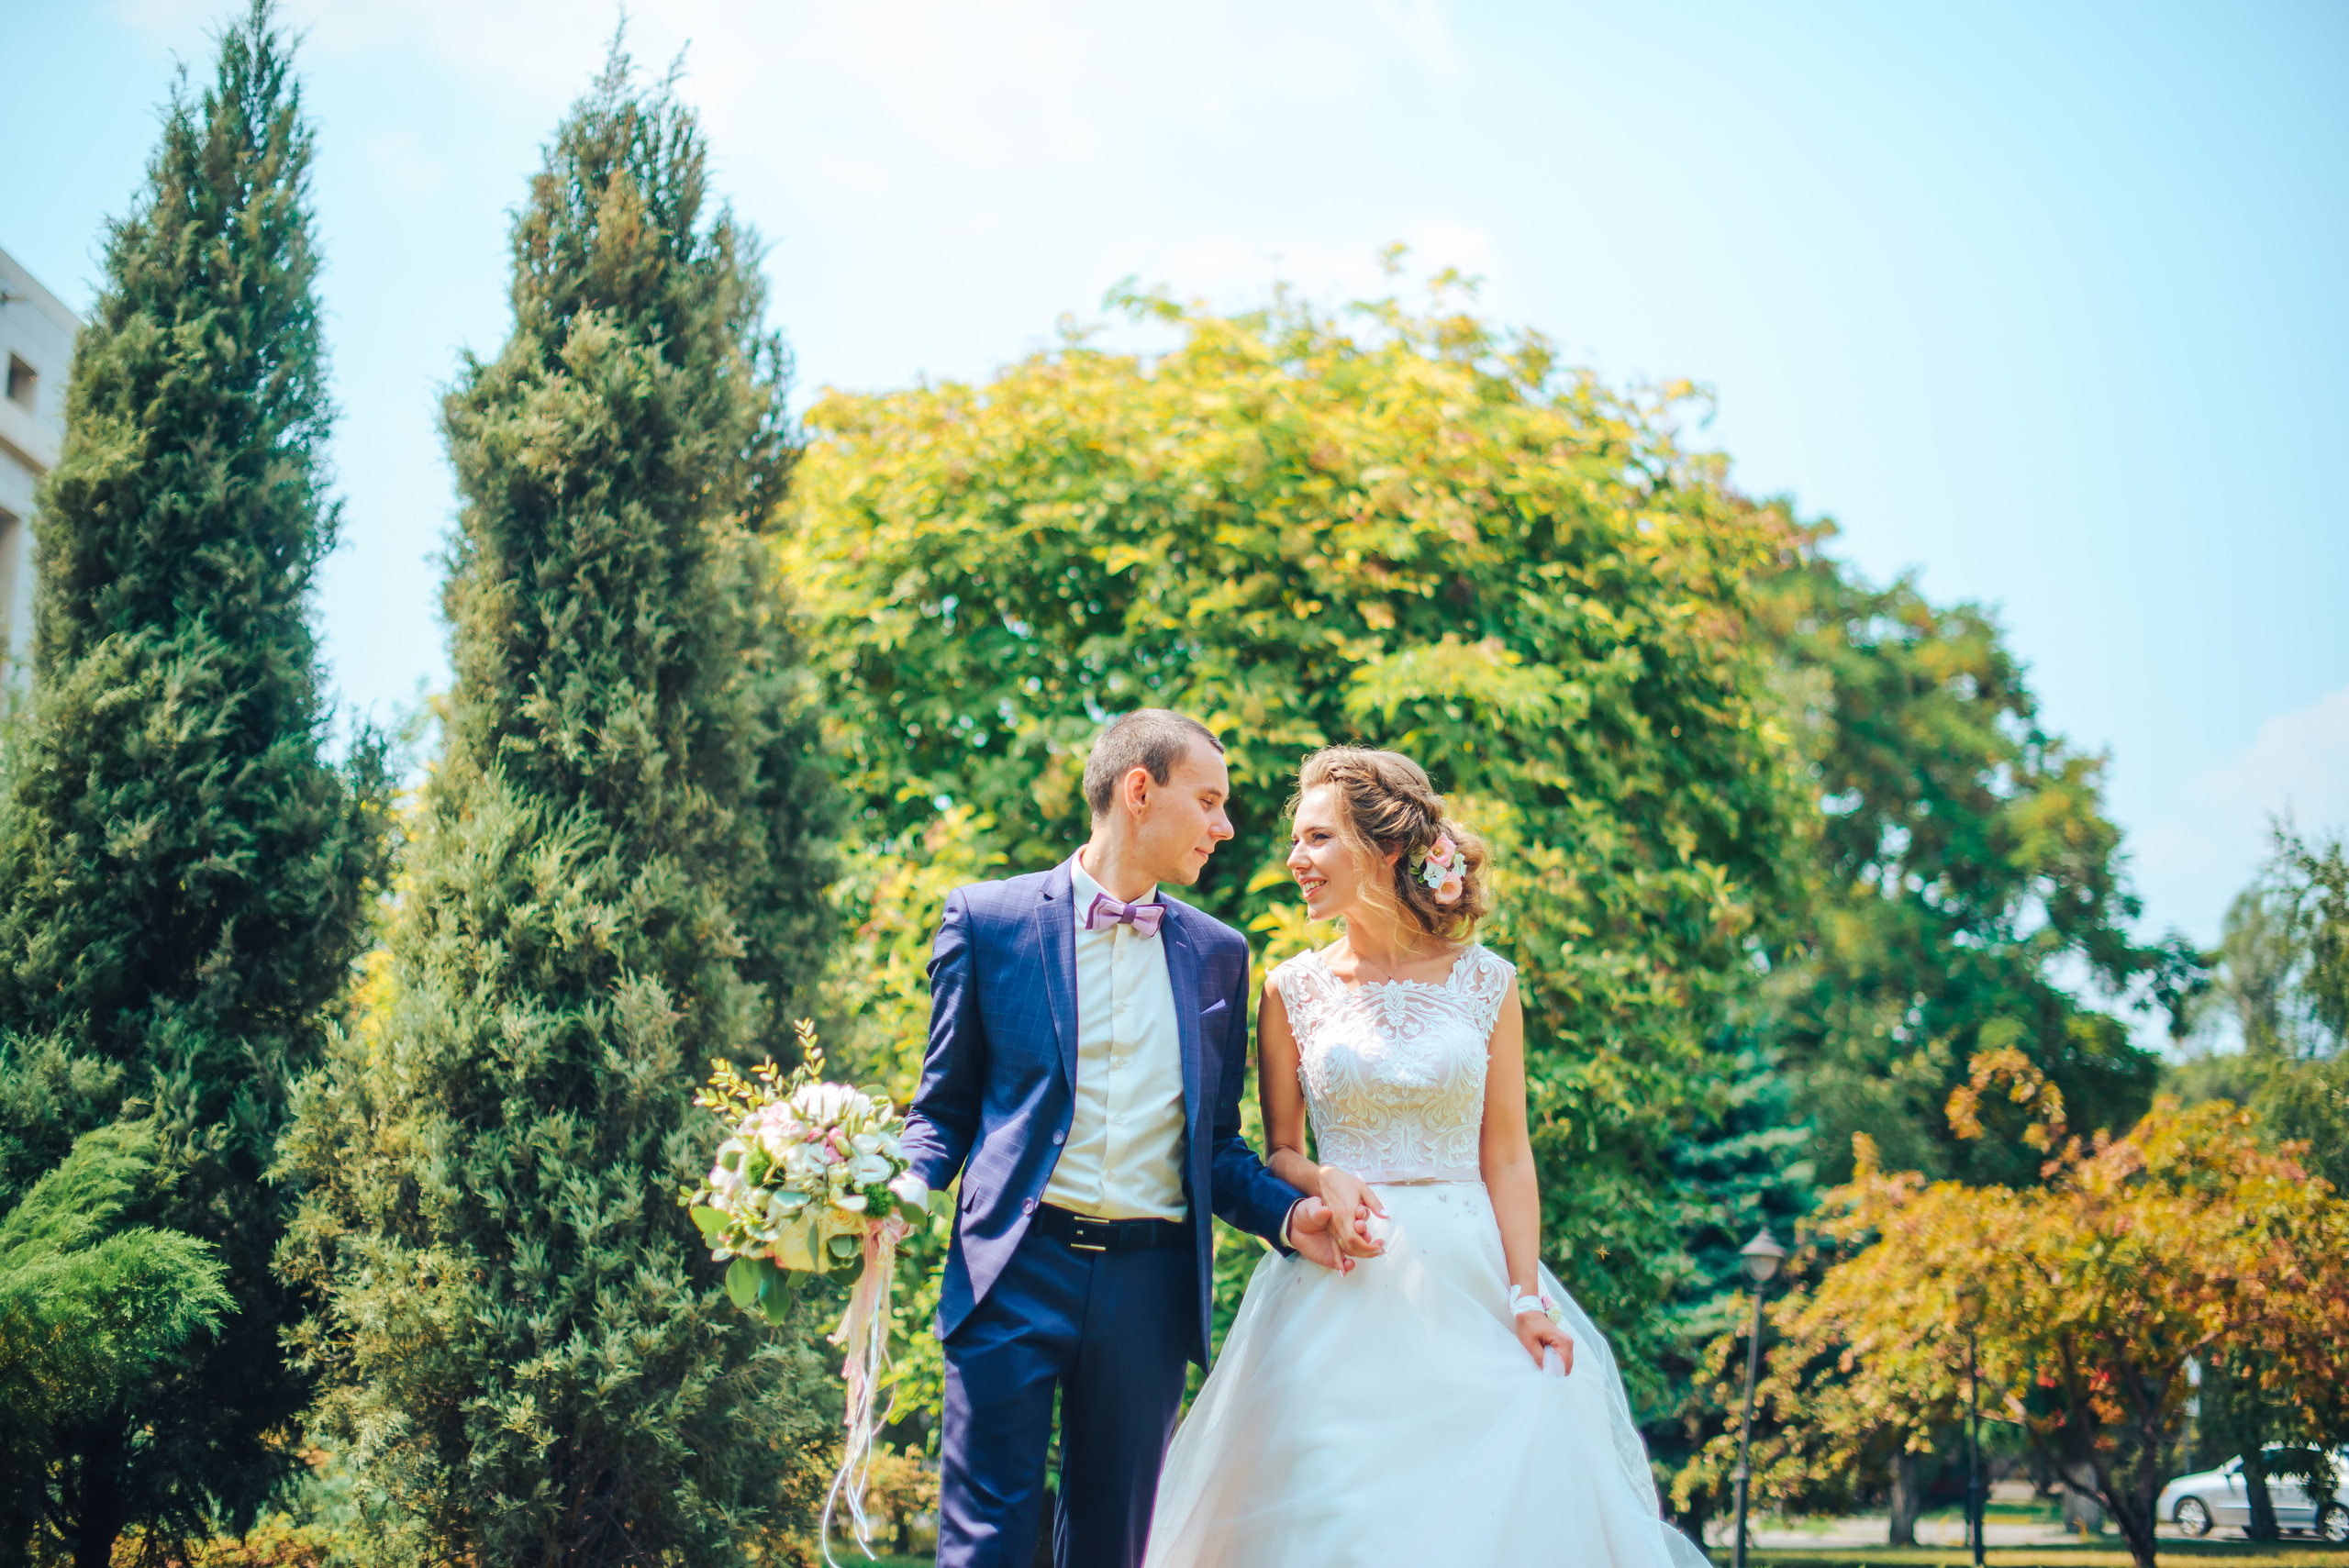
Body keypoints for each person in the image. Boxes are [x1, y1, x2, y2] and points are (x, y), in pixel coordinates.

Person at [1142, 746, 1711, 1568]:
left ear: (1385, 849)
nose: (1293, 861)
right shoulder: (1288, 989)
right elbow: (1279, 1152)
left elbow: (1509, 1157)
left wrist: (1525, 1295)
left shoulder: (1489, 983)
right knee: (1335, 1508)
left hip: (1471, 1273)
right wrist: (1319, 1180)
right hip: (1339, 1280)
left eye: (1315, 839)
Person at [897, 710, 1355, 1568]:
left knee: (1115, 1551)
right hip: (1012, 1269)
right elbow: (942, 1110)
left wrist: (1292, 1219)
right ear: (1138, 790)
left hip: (1150, 1290)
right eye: (1210, 800)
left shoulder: (1221, 954)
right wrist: (896, 1191)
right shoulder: (986, 921)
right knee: (981, 1545)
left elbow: (1218, 1148)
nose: (1225, 827)